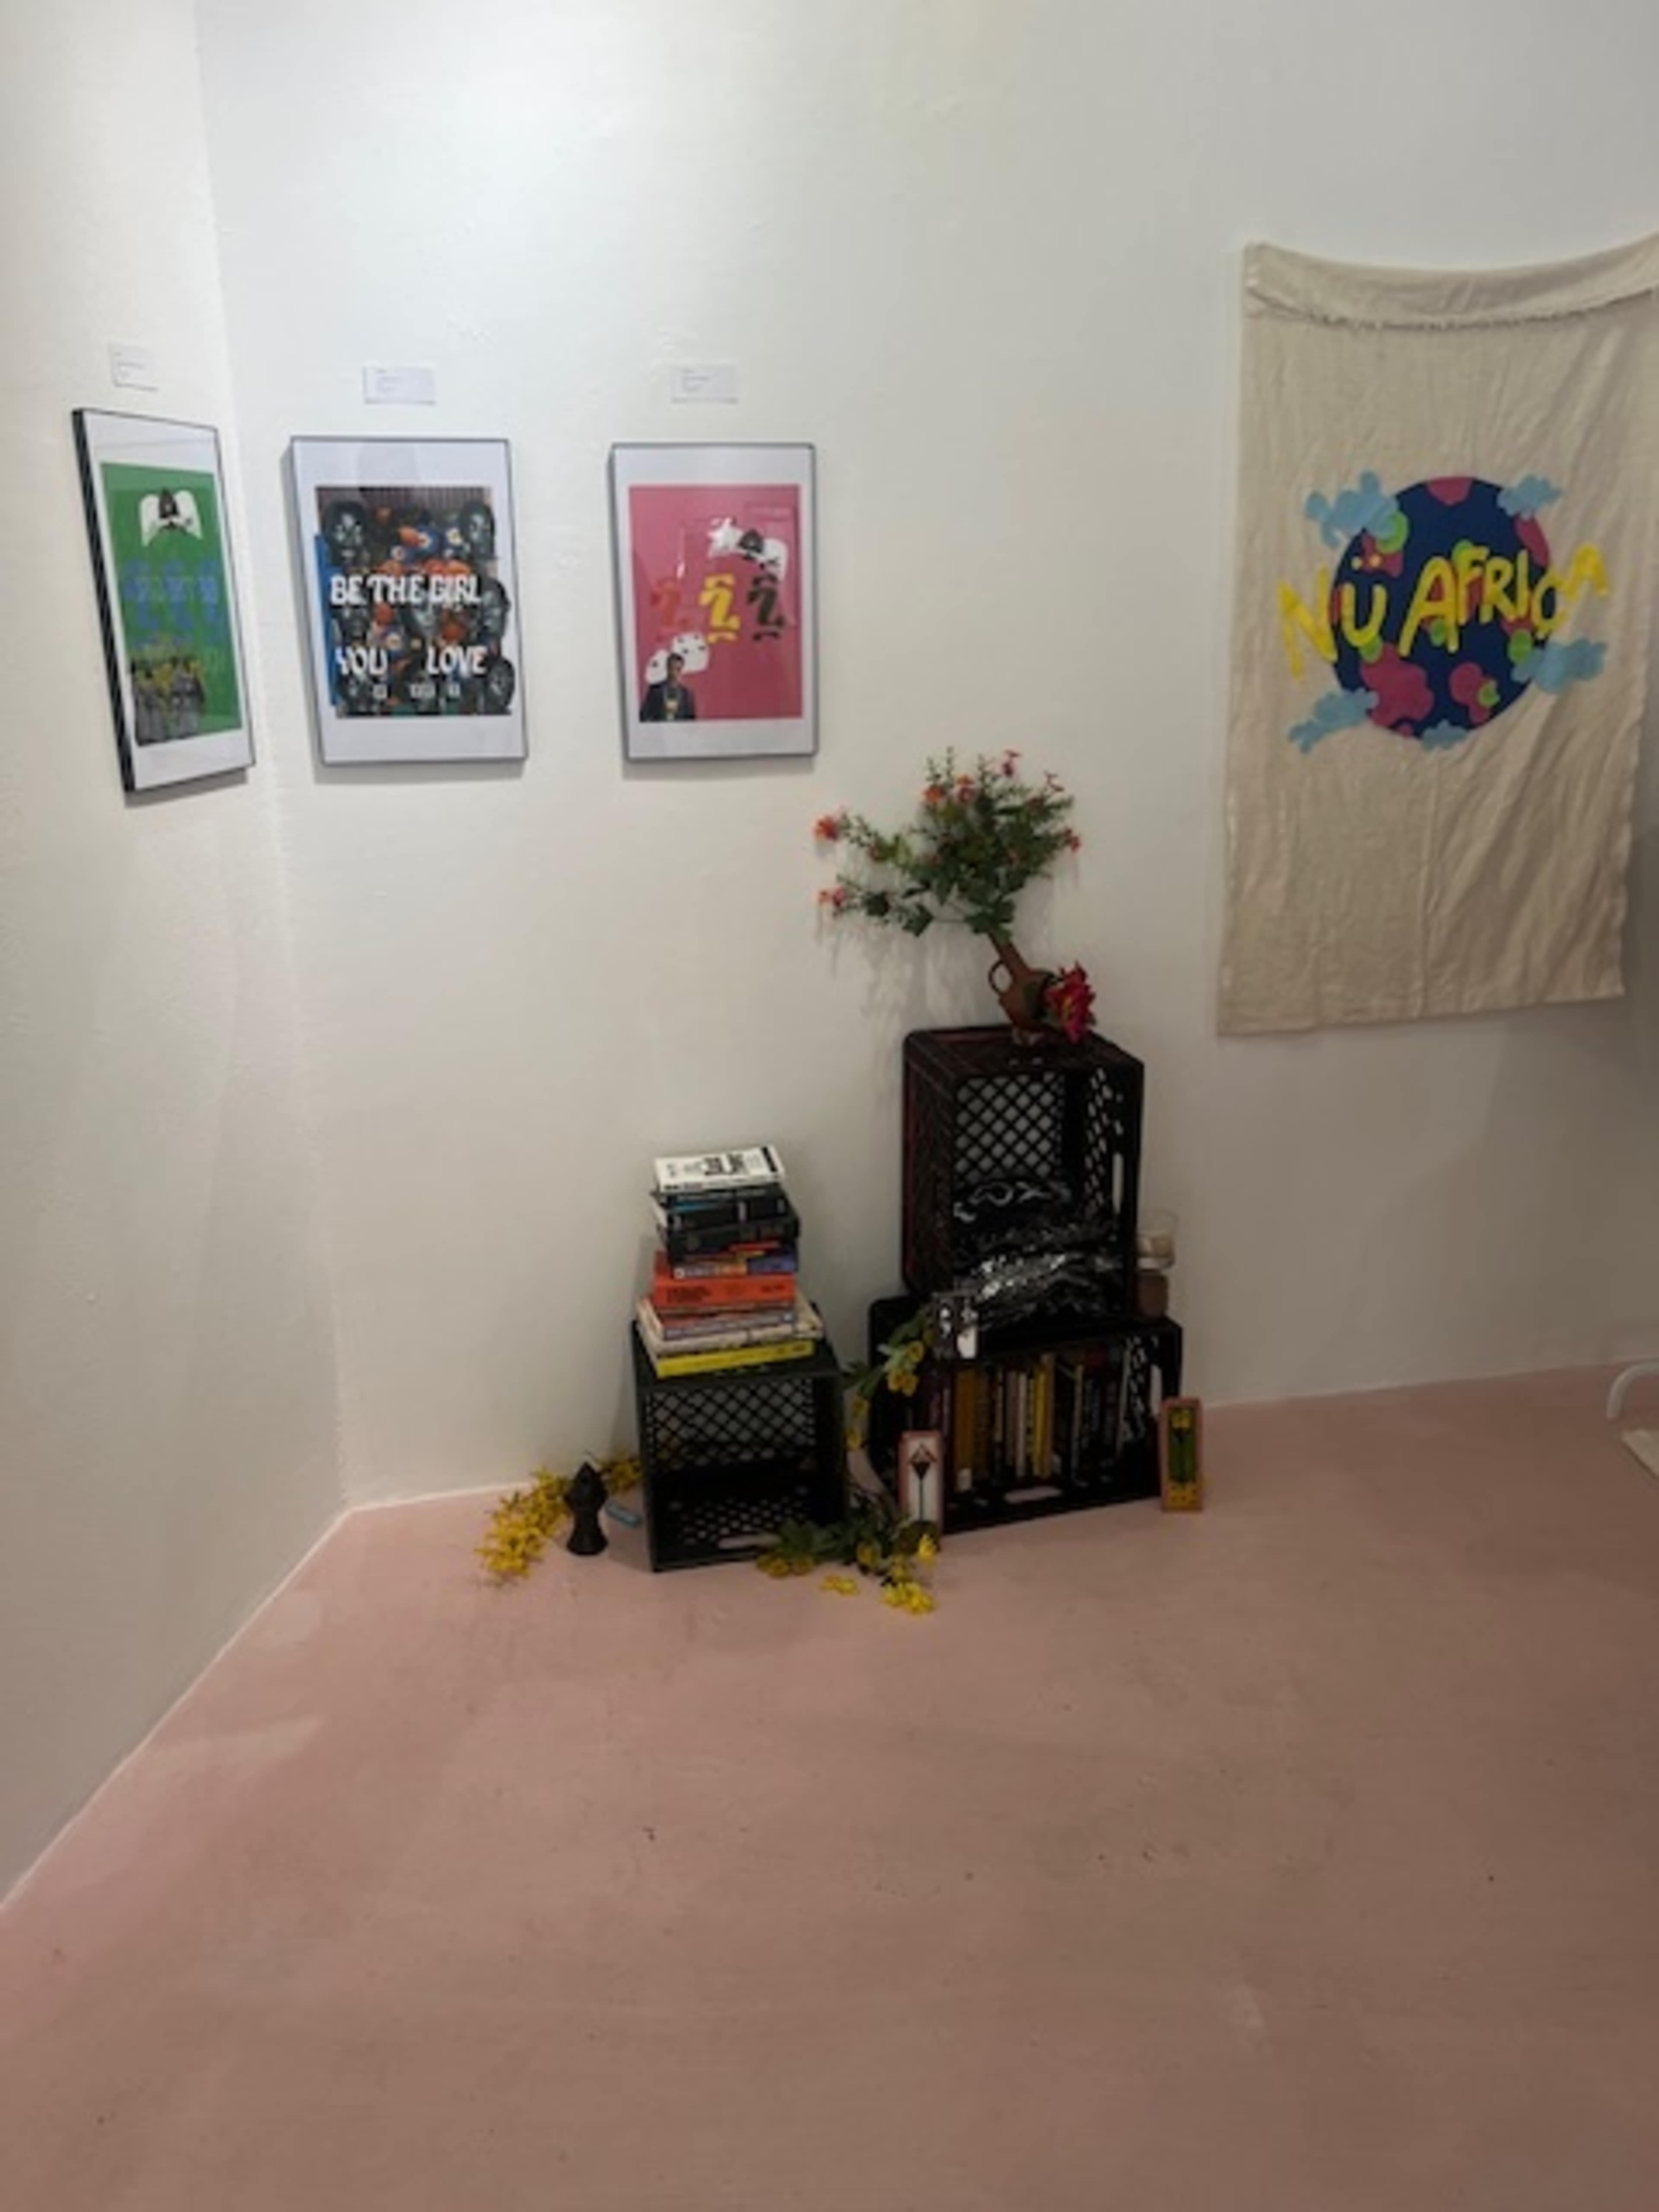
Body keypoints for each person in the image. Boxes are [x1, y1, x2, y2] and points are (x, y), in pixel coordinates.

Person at [640, 650, 697, 722]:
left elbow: (691, 719)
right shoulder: (655, 690)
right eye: (672, 668)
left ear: (682, 670)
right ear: (667, 668)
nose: (674, 673)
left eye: (678, 669)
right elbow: (644, 716)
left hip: (680, 732)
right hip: (660, 731)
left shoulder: (687, 694)